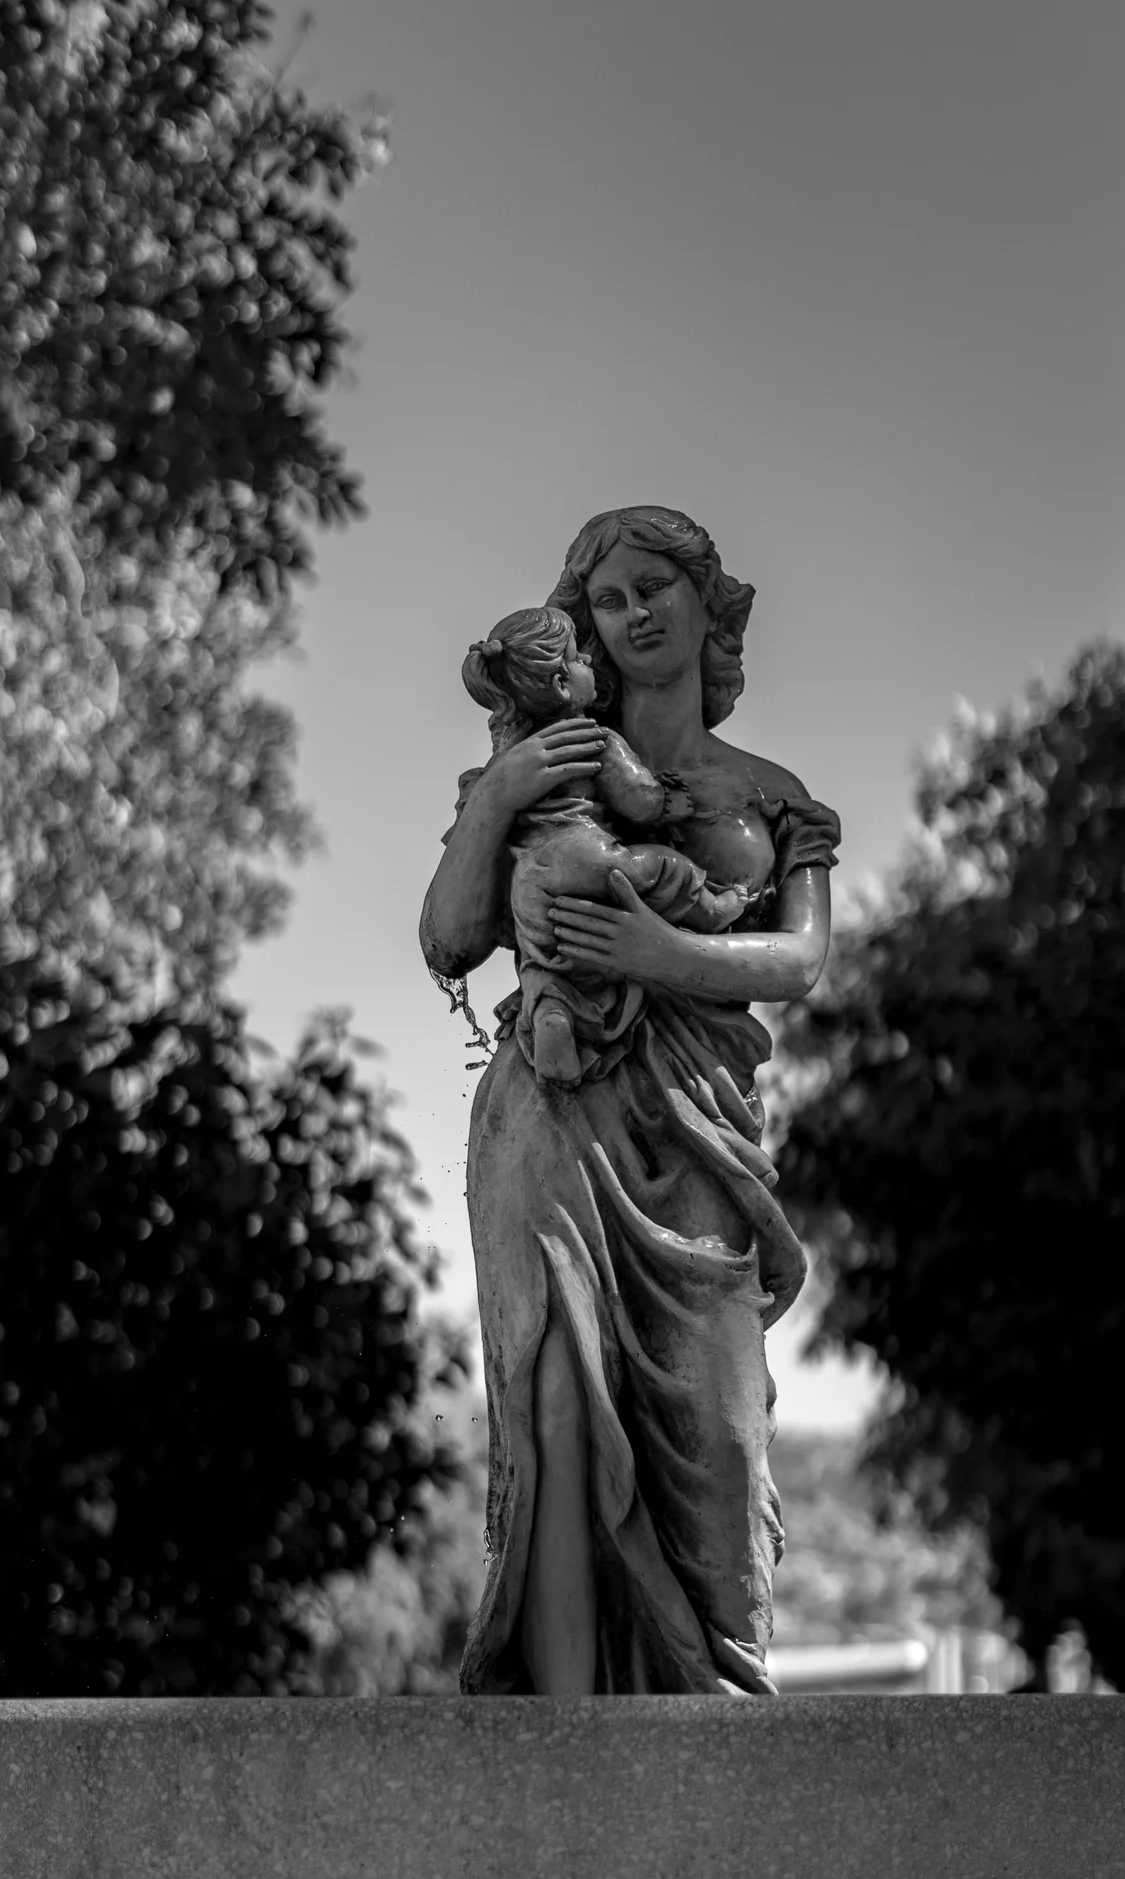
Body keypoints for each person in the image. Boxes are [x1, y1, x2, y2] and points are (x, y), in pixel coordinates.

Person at [420, 505, 840, 1695]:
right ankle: (566, 1748)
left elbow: (800, 963)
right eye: (609, 599)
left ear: (711, 605)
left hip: (692, 1129)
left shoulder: (772, 797)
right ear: (582, 622)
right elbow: (452, 938)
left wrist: (655, 951)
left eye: (658, 587)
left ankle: (711, 1738)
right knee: (555, 1399)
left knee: (716, 1444)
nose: (636, 613)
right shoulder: (543, 755)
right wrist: (500, 797)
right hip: (548, 1110)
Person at [459, 603, 751, 1089]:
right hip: (589, 856)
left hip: (530, 881)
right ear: (560, 686)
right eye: (578, 658)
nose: (590, 662)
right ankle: (712, 907)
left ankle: (551, 1010)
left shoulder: (508, 760)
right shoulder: (592, 739)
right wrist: (668, 802)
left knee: (542, 959)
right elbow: (639, 800)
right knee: (660, 867)